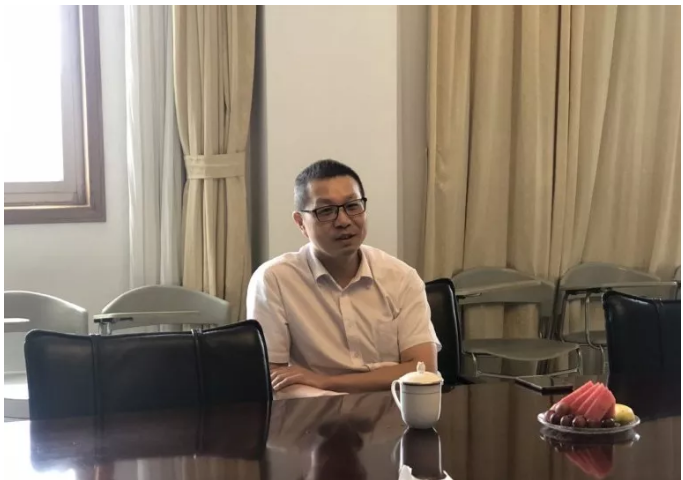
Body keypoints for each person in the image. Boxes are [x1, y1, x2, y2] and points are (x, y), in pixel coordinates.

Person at [246, 159, 440, 395]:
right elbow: (275, 378)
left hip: (394, 405)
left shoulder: (401, 277)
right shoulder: (274, 280)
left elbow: (423, 368)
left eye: (352, 206)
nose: (343, 221)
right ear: (301, 223)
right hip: (318, 408)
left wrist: (326, 381)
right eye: (326, 211)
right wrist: (329, 395)